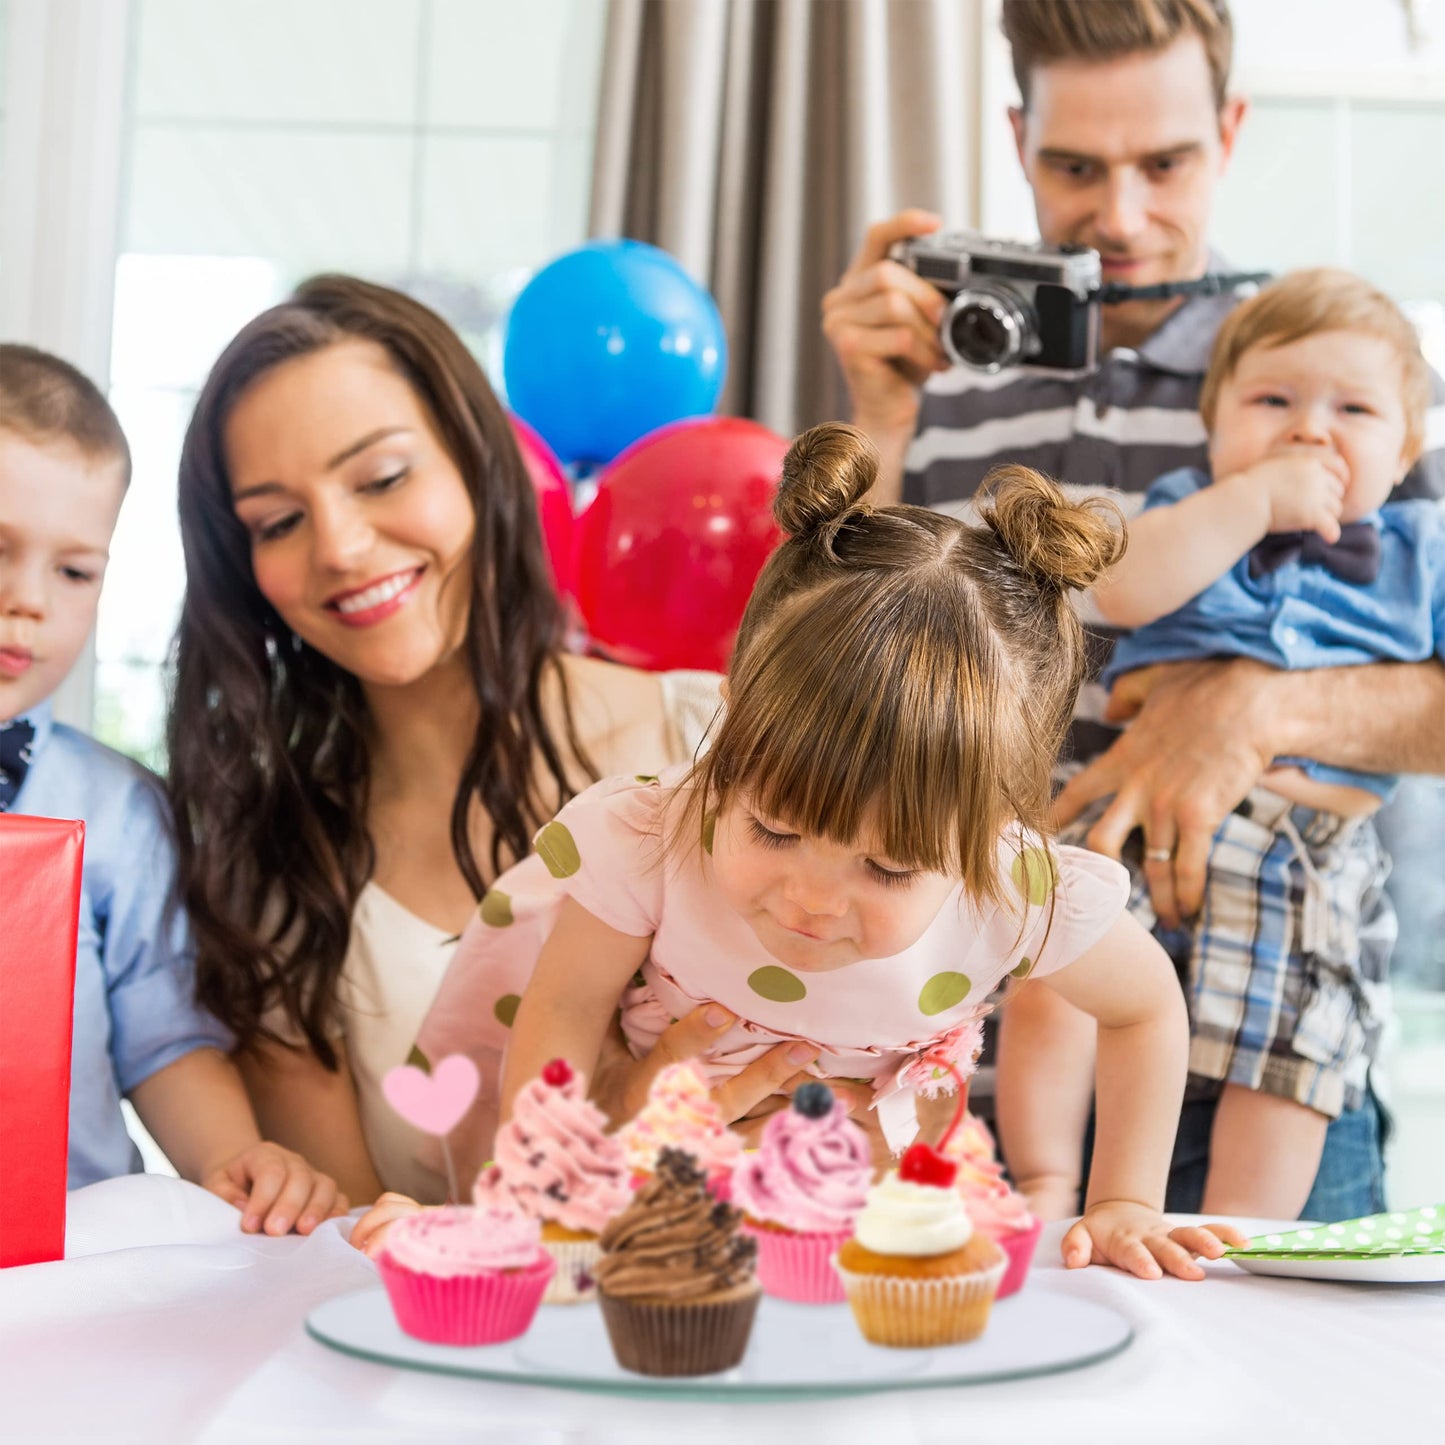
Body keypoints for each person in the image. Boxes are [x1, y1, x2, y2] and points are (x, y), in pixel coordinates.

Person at [357, 422, 1244, 1282]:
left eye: (889, 868)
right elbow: (561, 1014)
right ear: (732, 719)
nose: (813, 898)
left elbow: (1143, 1009)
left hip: (868, 1245)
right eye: (774, 830)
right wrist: (537, 1193)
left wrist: (1126, 1197)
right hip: (655, 1219)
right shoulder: (653, 840)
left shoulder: (1012, 887)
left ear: (984, 826)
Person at [821, 0, 1445, 1217]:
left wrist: (1258, 709)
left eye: (1163, 164)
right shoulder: (943, 376)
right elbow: (833, 695)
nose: (1117, 217)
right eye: (1072, 166)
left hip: (1264, 1056)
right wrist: (879, 421)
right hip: (981, 1067)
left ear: (1228, 132)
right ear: (1014, 142)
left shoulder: (1323, 381)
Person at [165, 276, 808, 1207]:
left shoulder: (710, 738)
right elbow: (342, 1242)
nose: (339, 547)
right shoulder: (275, 861)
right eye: (279, 521)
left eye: (382, 477)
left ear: (478, 462)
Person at [1013, 270, 1444, 1220]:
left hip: (1302, 858)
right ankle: (1043, 1182)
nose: (1307, 429)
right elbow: (1116, 594)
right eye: (1271, 401)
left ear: (1406, 446)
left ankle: (1237, 1240)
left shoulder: (1421, 549)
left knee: (1281, 1051)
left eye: (1353, 408)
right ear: (1214, 424)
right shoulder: (1190, 504)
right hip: (1120, 817)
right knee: (1052, 971)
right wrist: (1248, 501)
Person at [0, 343, 341, 1233]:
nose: (26, 599)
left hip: (63, 1271)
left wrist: (235, 1159)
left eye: (74, 571)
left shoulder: (117, 809)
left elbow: (165, 1037)